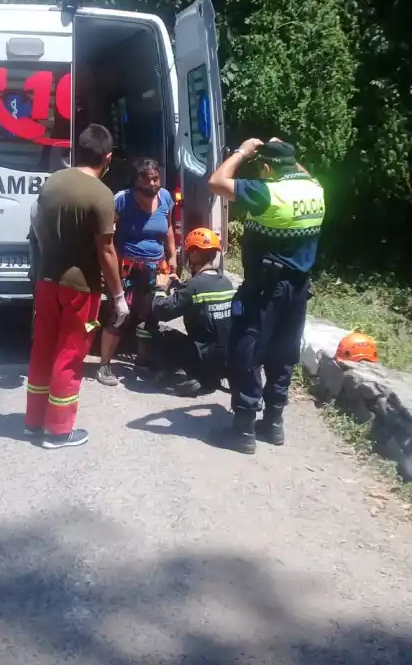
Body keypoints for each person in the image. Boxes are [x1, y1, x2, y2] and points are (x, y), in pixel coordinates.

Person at [208, 137, 325, 454]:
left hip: (264, 289)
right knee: (283, 352)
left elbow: (216, 181)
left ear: (267, 167)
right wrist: (284, 149)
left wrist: (242, 152)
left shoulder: (266, 193)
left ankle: (243, 429)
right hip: (299, 289)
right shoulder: (314, 190)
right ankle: (273, 423)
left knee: (247, 349)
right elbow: (301, 172)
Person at [25, 124, 129, 449]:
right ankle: (57, 431)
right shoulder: (102, 196)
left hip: (46, 281)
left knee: (42, 349)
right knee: (70, 355)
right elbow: (106, 251)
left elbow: (37, 225)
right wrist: (119, 296)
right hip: (81, 290)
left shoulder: (52, 182)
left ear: (77, 151)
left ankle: (33, 422)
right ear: (107, 157)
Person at [96, 157, 177, 387]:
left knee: (150, 316)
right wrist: (107, 265)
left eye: (156, 178)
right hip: (127, 270)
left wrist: (172, 260)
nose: (153, 184)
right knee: (120, 316)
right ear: (136, 181)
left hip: (155, 269)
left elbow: (168, 228)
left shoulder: (166, 198)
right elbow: (105, 234)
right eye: (148, 179)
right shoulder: (122, 200)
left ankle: (143, 362)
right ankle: (104, 365)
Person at [148, 227, 235, 396]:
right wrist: (181, 287)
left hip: (201, 356)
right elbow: (198, 297)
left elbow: (161, 311)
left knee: (162, 333)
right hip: (224, 357)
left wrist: (160, 288)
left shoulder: (194, 286)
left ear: (195, 254)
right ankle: (211, 375)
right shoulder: (225, 283)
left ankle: (185, 376)